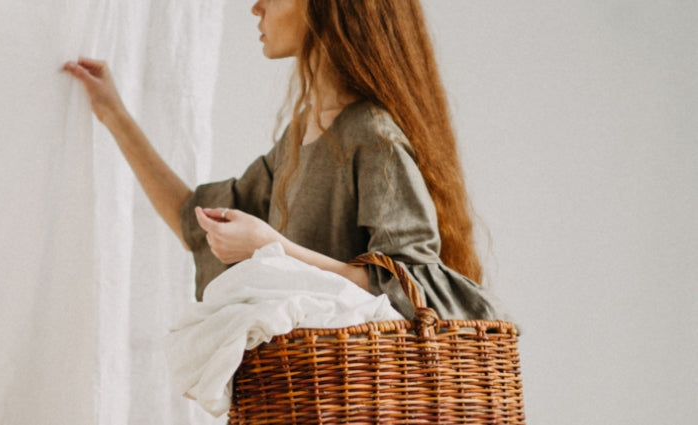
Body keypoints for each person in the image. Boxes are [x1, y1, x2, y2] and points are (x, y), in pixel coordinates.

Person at [62, 0, 506, 320]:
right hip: (306, 399)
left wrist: (273, 250)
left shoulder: (371, 136)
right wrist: (114, 114)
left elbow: (418, 288)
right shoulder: (300, 141)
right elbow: (193, 222)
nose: (256, 7)